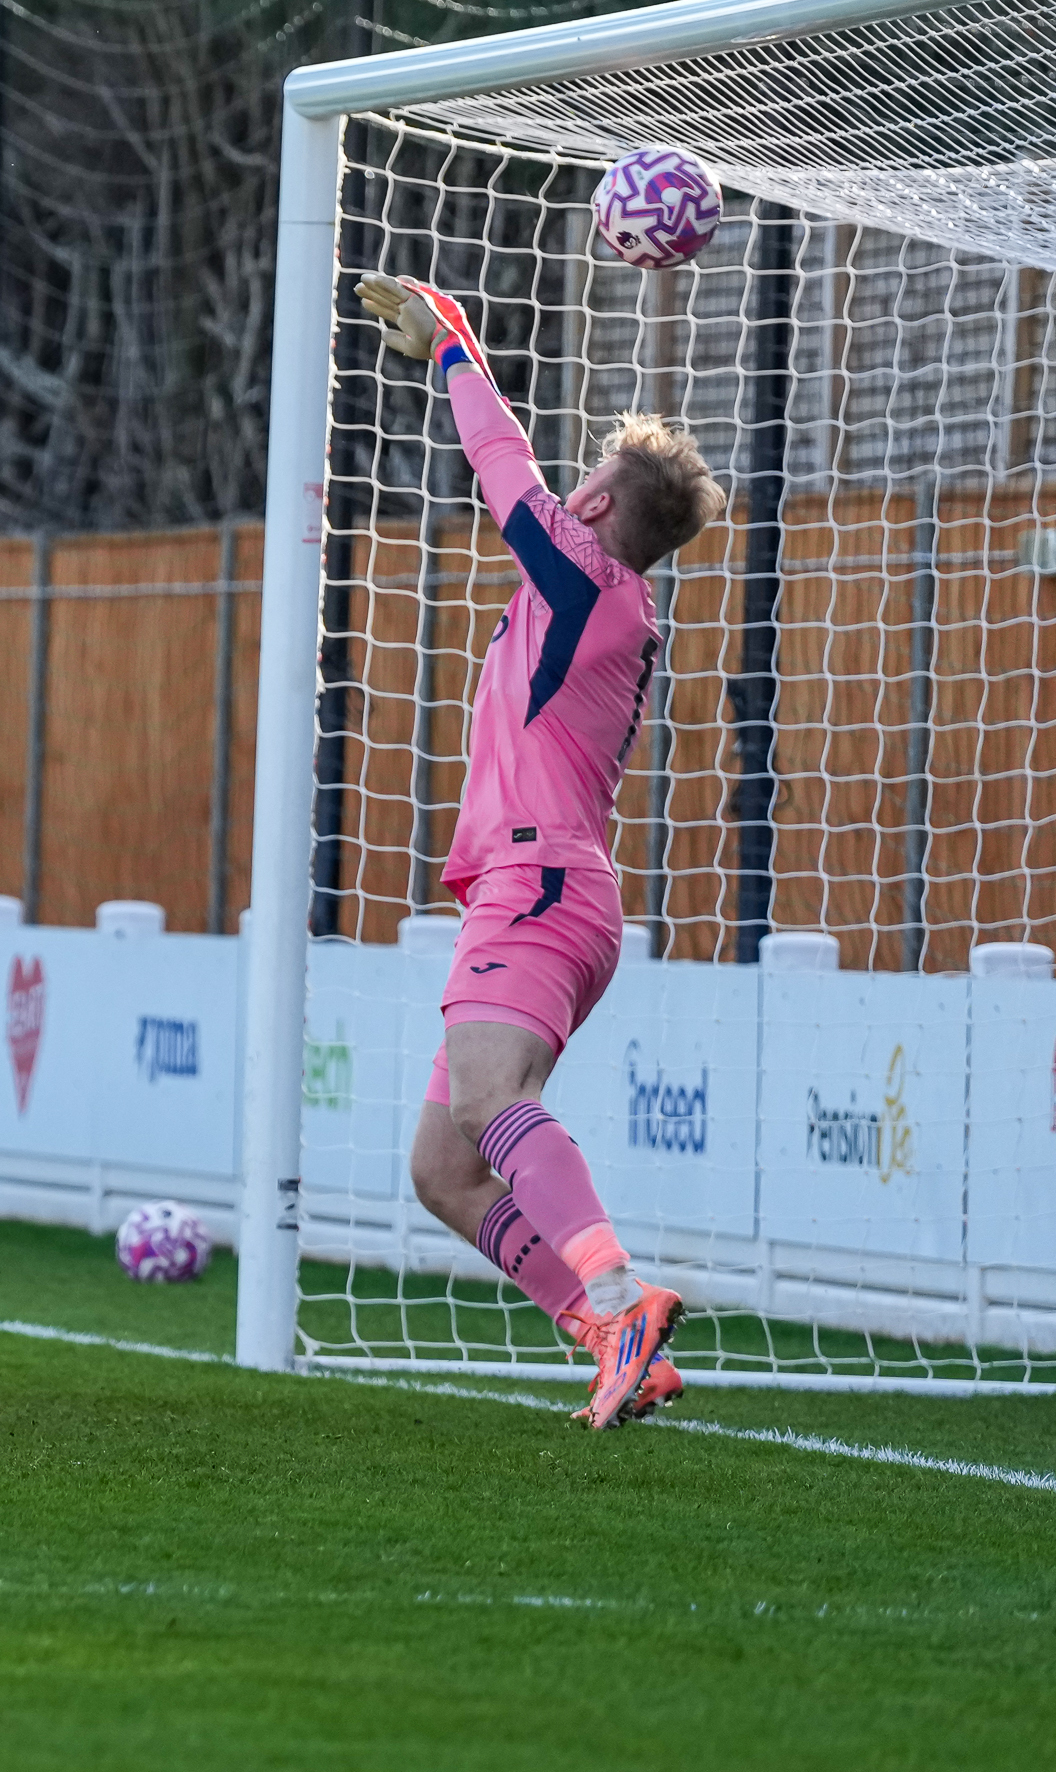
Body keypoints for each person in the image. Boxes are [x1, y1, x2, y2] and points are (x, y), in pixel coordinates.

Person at [355, 272, 726, 1430]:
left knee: (490, 1096)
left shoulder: (585, 581)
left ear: (600, 503)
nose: (567, 492)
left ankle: (619, 1294)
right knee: (444, 1166)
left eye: (586, 482)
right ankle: (612, 1337)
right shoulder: (606, 603)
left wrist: (452, 341)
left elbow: (500, 463)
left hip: (540, 883)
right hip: (546, 889)